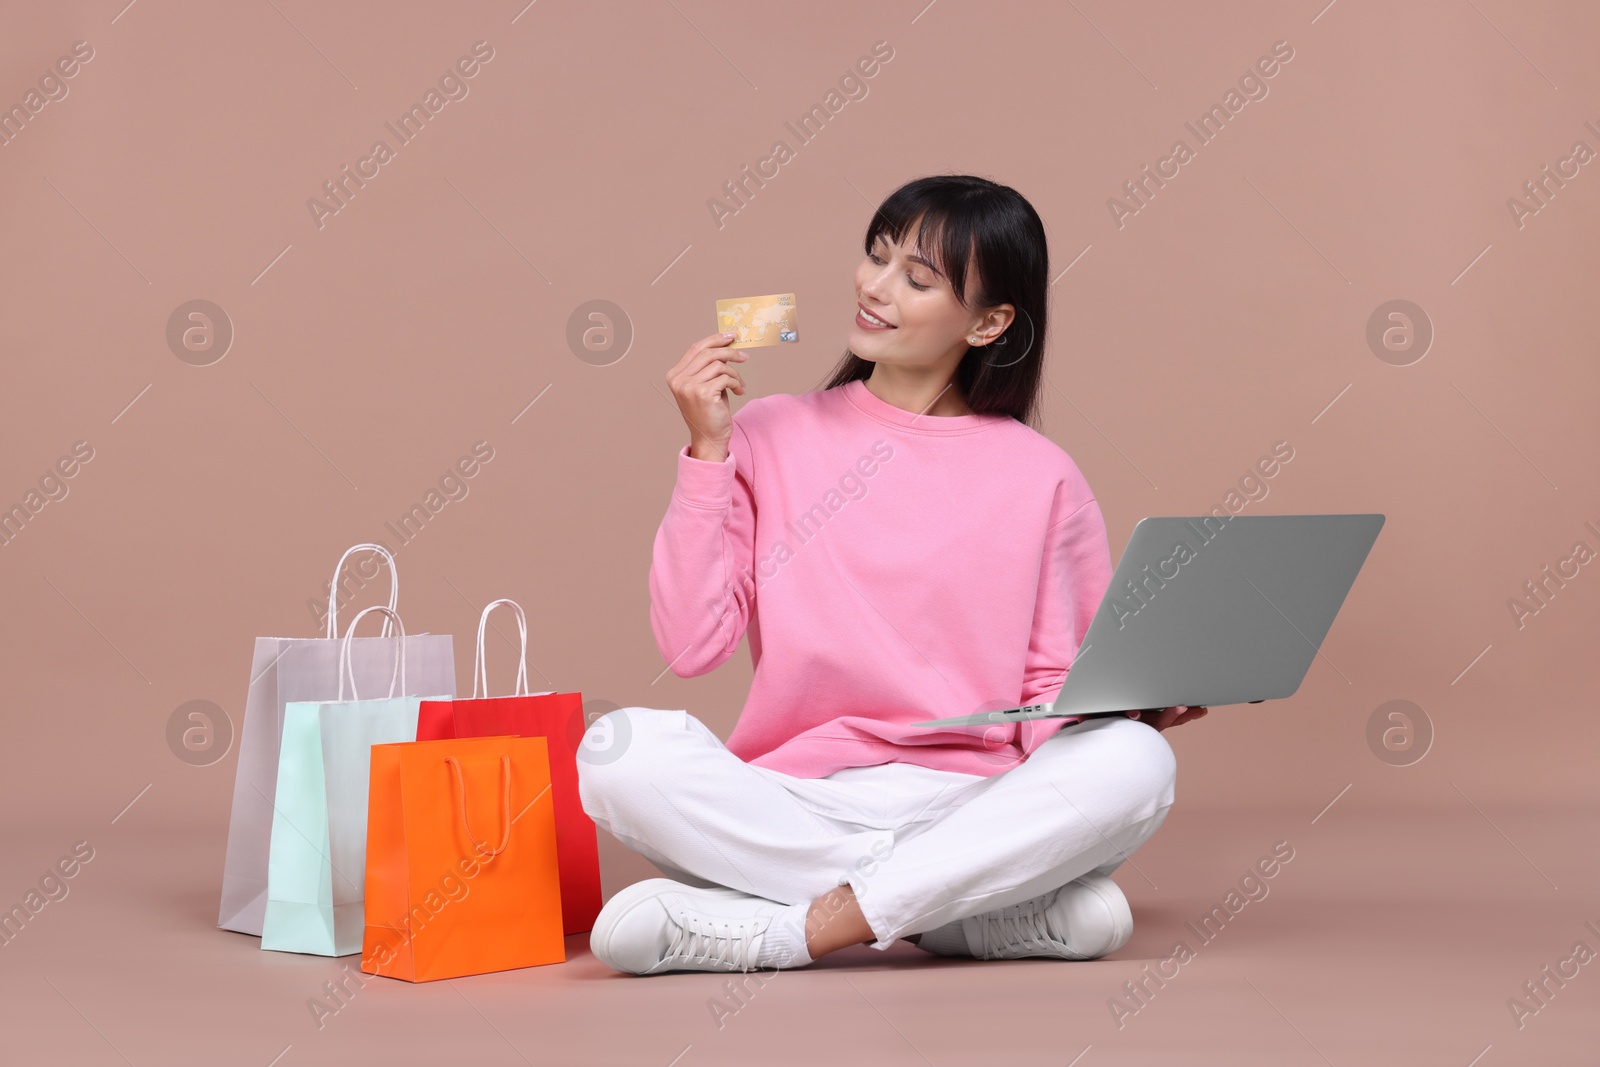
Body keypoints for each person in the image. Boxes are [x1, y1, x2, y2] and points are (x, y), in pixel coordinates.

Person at [578, 174, 1208, 977]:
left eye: (916, 278)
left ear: (990, 321)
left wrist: (1131, 712)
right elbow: (693, 642)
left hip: (973, 801)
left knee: (1136, 762)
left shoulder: (1042, 476)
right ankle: (959, 913)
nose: (875, 289)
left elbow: (1051, 688)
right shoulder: (768, 433)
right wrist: (707, 453)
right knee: (616, 748)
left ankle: (796, 930)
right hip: (802, 800)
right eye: (876, 257)